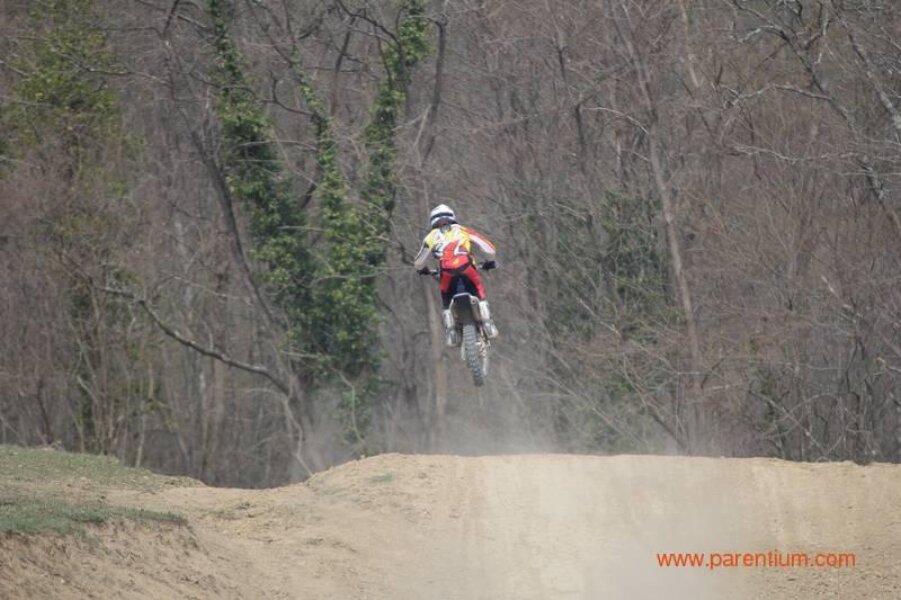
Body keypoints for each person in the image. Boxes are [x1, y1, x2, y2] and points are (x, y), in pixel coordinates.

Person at [414, 204, 499, 346]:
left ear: (433, 221)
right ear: (452, 217)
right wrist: (490, 261)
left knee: (446, 297)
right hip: (467, 267)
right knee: (478, 289)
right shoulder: (463, 230)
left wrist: (423, 269)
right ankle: (487, 322)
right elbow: (489, 249)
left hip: (446, 272)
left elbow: (418, 262)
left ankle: (451, 331)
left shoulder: (430, 237)